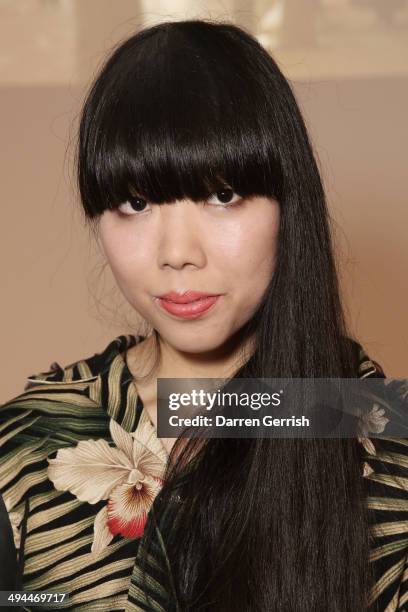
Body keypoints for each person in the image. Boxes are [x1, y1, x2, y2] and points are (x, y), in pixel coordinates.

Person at [0, 18, 406, 612]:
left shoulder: (384, 444)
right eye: (135, 203)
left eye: (222, 196)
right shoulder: (33, 447)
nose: (176, 253)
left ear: (288, 203)